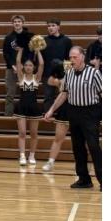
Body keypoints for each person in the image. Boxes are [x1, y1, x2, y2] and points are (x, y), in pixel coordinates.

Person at [43, 47, 102, 189]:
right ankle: (84, 179)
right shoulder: (68, 74)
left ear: (82, 57)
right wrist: (51, 110)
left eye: (75, 57)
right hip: (74, 112)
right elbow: (64, 94)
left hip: (90, 113)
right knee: (77, 147)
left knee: (93, 146)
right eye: (71, 57)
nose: (72, 60)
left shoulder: (94, 73)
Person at [39, 61, 72, 173]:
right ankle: (51, 162)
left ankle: (81, 165)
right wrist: (58, 82)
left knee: (80, 139)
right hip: (64, 108)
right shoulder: (61, 73)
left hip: (79, 108)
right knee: (58, 137)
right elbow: (50, 81)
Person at [14, 49, 44, 166]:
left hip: (34, 108)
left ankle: (31, 155)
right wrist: (21, 50)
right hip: (21, 107)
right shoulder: (21, 77)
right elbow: (17, 61)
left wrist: (38, 50)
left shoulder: (36, 78)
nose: (28, 67)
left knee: (34, 133)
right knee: (22, 132)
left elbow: (41, 64)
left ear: (33, 67)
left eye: (30, 65)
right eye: (26, 65)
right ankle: (22, 156)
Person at [41, 20, 74, 118]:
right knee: (48, 96)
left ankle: (62, 117)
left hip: (62, 74)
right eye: (48, 26)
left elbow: (69, 58)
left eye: (53, 25)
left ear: (58, 27)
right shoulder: (44, 41)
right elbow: (41, 58)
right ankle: (47, 117)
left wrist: (67, 74)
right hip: (47, 73)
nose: (50, 27)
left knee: (63, 95)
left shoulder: (66, 40)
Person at [1, 15, 31, 118]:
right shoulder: (8, 37)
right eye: (15, 22)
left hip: (26, 68)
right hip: (11, 68)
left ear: (23, 23)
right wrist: (13, 66)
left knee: (27, 91)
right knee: (10, 92)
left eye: (19, 21)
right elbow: (6, 54)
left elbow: (30, 52)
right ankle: (8, 114)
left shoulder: (28, 36)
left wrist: (23, 66)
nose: (17, 23)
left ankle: (26, 113)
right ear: (12, 24)